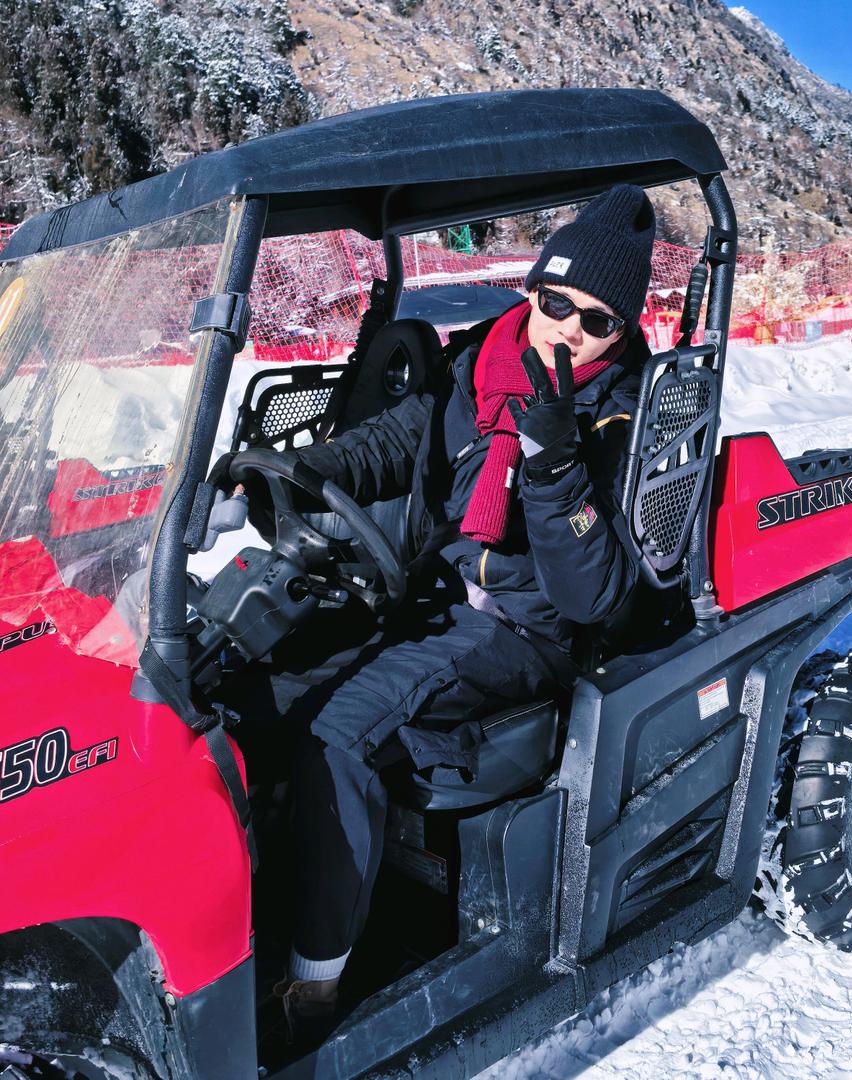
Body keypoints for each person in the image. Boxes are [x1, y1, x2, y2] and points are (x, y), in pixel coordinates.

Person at [219, 183, 656, 1034]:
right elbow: (399, 443)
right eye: (558, 301)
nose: (569, 329)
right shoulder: (477, 365)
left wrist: (554, 461)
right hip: (432, 591)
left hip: (525, 631)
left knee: (336, 735)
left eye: (597, 321)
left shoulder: (617, 420)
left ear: (623, 332)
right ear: (533, 289)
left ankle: (312, 983)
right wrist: (302, 470)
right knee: (250, 688)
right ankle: (243, 901)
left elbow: (590, 594)